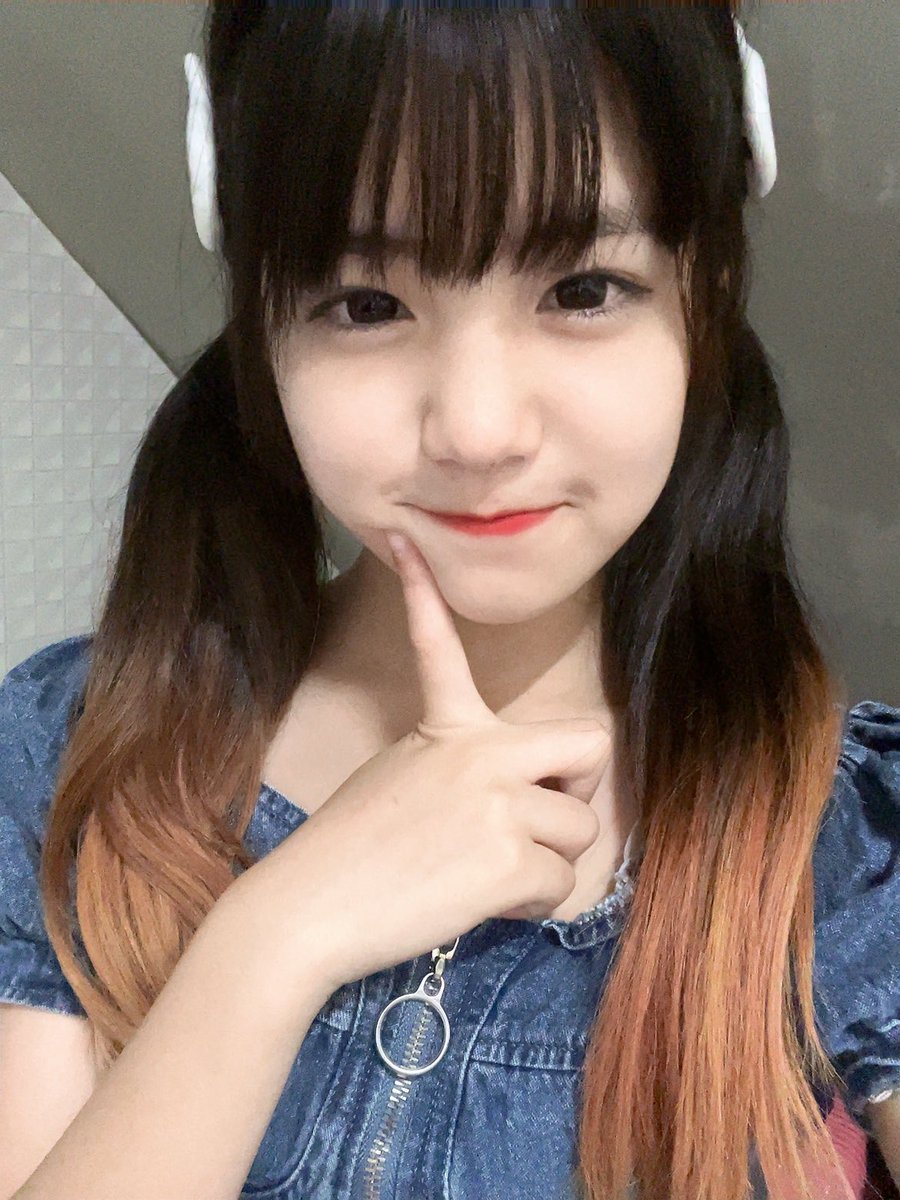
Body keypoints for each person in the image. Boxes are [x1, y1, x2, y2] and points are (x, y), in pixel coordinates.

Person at [0, 6, 897, 1199]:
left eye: (584, 287)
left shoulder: (842, 842)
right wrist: (273, 940)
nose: (477, 430)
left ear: (706, 290)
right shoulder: (77, 757)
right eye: (366, 305)